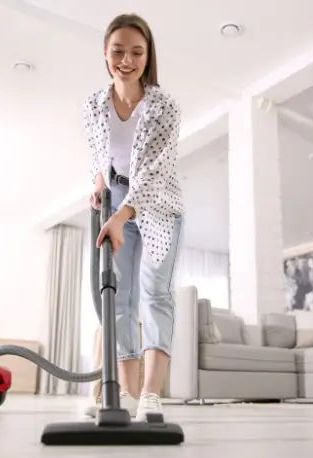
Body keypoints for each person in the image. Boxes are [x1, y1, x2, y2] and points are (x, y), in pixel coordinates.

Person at [82, 13, 184, 422]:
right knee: (118, 299)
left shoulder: (165, 107)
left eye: (136, 52)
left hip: (158, 201)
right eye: (118, 51)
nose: (127, 59)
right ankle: (121, 395)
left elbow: (156, 172)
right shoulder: (93, 104)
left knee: (155, 294)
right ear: (105, 54)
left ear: (148, 56)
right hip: (116, 196)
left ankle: (151, 396)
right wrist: (98, 183)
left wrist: (124, 214)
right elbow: (97, 154)